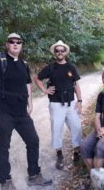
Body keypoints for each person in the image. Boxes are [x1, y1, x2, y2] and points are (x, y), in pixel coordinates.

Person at [0, 33, 52, 190]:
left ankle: (34, 176)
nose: (15, 44)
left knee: (33, 141)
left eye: (18, 42)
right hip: (4, 112)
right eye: (12, 41)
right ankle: (5, 181)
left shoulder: (24, 63)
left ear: (22, 45)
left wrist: (30, 102)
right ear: (7, 44)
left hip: (21, 112)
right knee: (3, 146)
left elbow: (28, 84)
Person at [34, 40, 83, 170]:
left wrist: (79, 100)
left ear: (65, 53)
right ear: (54, 53)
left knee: (76, 126)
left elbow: (76, 84)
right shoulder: (50, 67)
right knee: (57, 129)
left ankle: (77, 153)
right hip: (56, 103)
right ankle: (59, 154)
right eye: (57, 51)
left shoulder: (71, 67)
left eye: (62, 50)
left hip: (71, 103)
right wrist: (45, 90)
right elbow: (37, 78)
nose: (60, 52)